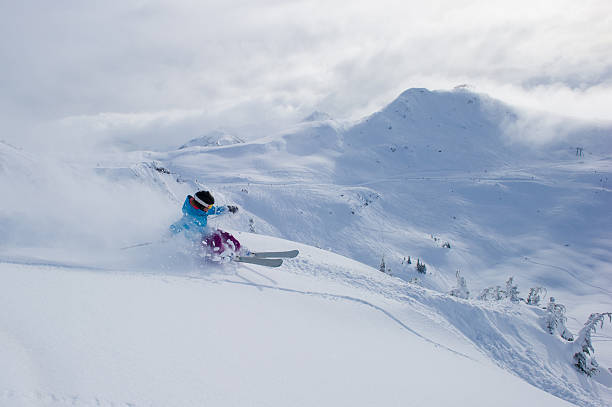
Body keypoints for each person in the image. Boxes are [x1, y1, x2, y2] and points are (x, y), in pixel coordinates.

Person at [169, 190, 244, 259]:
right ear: (200, 205)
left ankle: (238, 249)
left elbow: (215, 210)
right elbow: (175, 227)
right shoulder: (188, 218)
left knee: (226, 235)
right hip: (198, 239)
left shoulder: (203, 209)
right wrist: (166, 236)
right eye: (209, 206)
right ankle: (222, 255)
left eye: (210, 206)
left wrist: (228, 209)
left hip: (206, 231)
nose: (210, 208)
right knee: (216, 239)